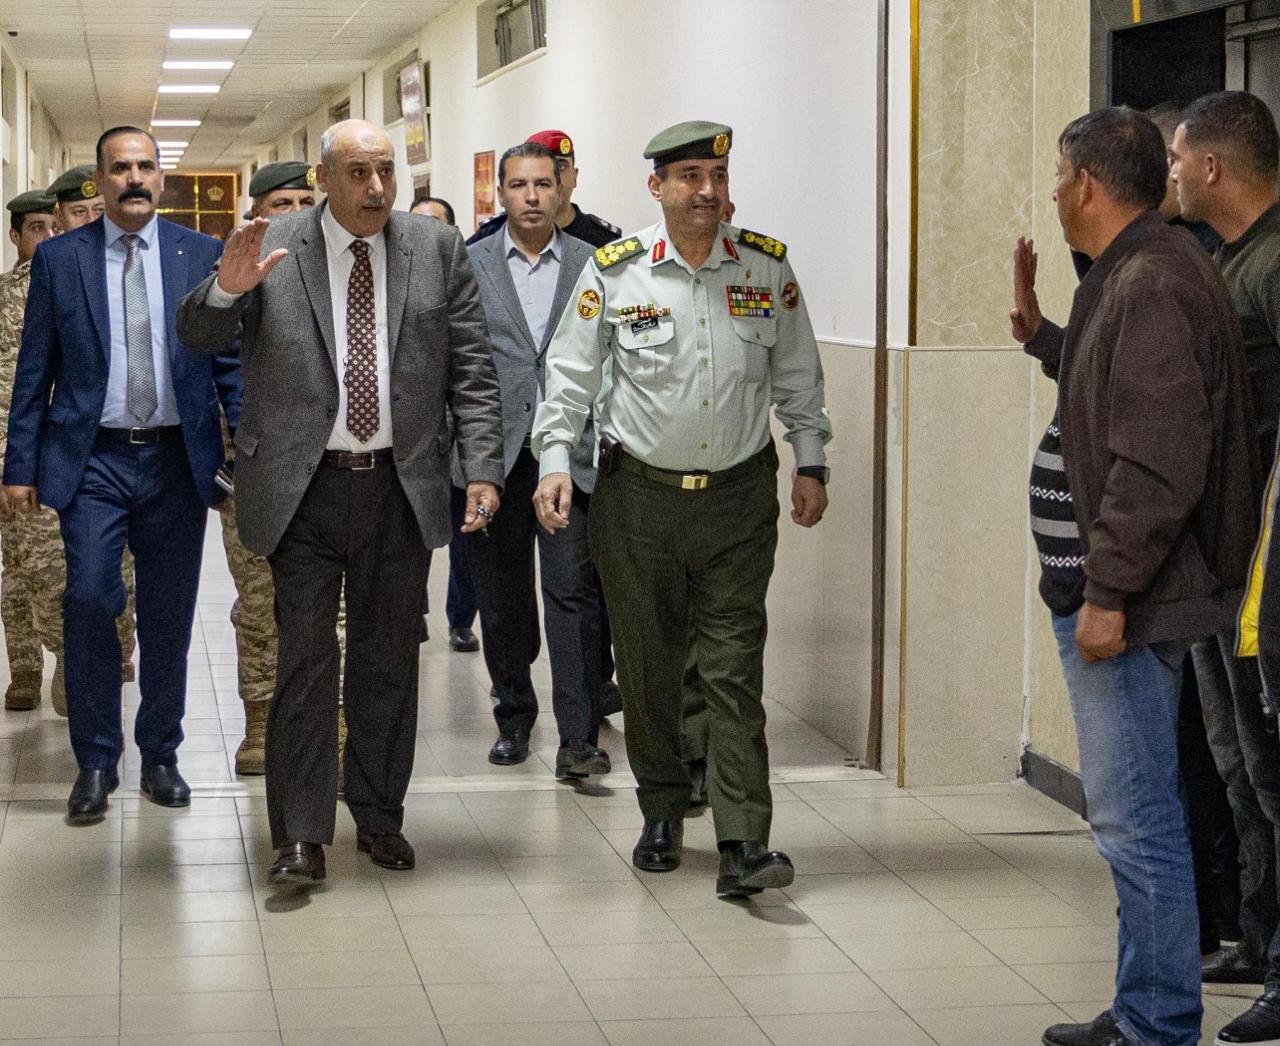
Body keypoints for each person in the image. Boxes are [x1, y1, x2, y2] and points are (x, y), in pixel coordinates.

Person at [177, 119, 504, 888]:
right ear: (323, 179)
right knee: (306, 659)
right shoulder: (274, 243)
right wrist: (227, 288)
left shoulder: (434, 248)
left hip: (399, 484)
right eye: (358, 173)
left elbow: (472, 367)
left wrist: (482, 468)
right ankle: (299, 834)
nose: (377, 188)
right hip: (303, 486)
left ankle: (379, 814)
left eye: (386, 171)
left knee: (387, 659)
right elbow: (198, 334)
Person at [532, 120, 832, 898]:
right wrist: (556, 462)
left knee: (732, 670)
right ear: (657, 187)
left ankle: (744, 839)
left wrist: (810, 460)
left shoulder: (765, 267)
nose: (707, 191)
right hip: (638, 503)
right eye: (690, 177)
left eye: (717, 177)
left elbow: (798, 374)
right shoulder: (616, 272)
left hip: (737, 500)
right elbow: (570, 376)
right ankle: (662, 809)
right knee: (649, 667)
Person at [1011, 106, 1257, 1046]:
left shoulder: (1150, 279)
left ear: (1086, 184)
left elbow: (1157, 462)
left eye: (1058, 178)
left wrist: (1108, 592)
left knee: (1136, 818)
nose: (1054, 195)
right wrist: (1042, 336)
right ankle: (1143, 1005)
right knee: (1137, 811)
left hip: (1130, 601)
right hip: (1117, 591)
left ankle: (1157, 1022)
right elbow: (1113, 385)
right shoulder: (1136, 269)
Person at [2, 127, 239, 824]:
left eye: (145, 167)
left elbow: (227, 362)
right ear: (101, 180)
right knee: (87, 596)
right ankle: (97, 760)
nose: (134, 178)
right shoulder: (61, 258)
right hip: (92, 459)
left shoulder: (199, 253)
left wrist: (241, 458)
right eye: (120, 168)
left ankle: (160, 754)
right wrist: (19, 465)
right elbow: (34, 369)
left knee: (168, 612)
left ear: (160, 178)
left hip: (175, 458)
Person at [1174, 91, 1280, 1046]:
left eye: (1178, 158)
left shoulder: (1276, 262)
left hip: (1264, 564)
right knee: (1236, 761)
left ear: (1212, 166)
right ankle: (1258, 937)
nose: (1171, 172)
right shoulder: (1225, 260)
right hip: (1223, 557)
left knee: (1272, 765)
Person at [466, 142, 607, 778]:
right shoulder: (470, 263)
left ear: (562, 189)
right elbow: (456, 363)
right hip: (494, 456)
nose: (531, 196)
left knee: (572, 593)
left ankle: (579, 737)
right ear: (501, 193)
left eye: (543, 184)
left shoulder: (595, 263)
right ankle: (515, 715)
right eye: (519, 185)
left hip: (570, 455)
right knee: (503, 597)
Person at [221, 160, 320, 775]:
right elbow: (217, 370)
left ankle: (334, 726)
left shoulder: (342, 271)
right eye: (283, 204)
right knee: (259, 602)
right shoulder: (233, 277)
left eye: (306, 202)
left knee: (332, 612)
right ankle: (259, 720)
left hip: (327, 470)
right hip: (254, 469)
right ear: (256, 213)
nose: (297, 215)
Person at [410, 194, 481, 654]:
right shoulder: (392, 277)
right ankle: (411, 611)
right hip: (415, 437)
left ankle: (460, 620)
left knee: (465, 535)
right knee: (412, 535)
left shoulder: (468, 278)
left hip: (459, 436)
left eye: (434, 226)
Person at [1, 192, 59, 710]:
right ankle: (23, 668)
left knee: (52, 566)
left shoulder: (71, 289)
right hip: (5, 457)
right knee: (15, 568)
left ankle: (68, 654)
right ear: (15, 236)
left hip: (54, 456)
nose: (47, 238)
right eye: (36, 228)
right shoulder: (2, 297)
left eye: (53, 227)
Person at [469, 129, 621, 249]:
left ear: (575, 176)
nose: (554, 176)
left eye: (561, 166)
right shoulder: (492, 234)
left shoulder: (603, 240)